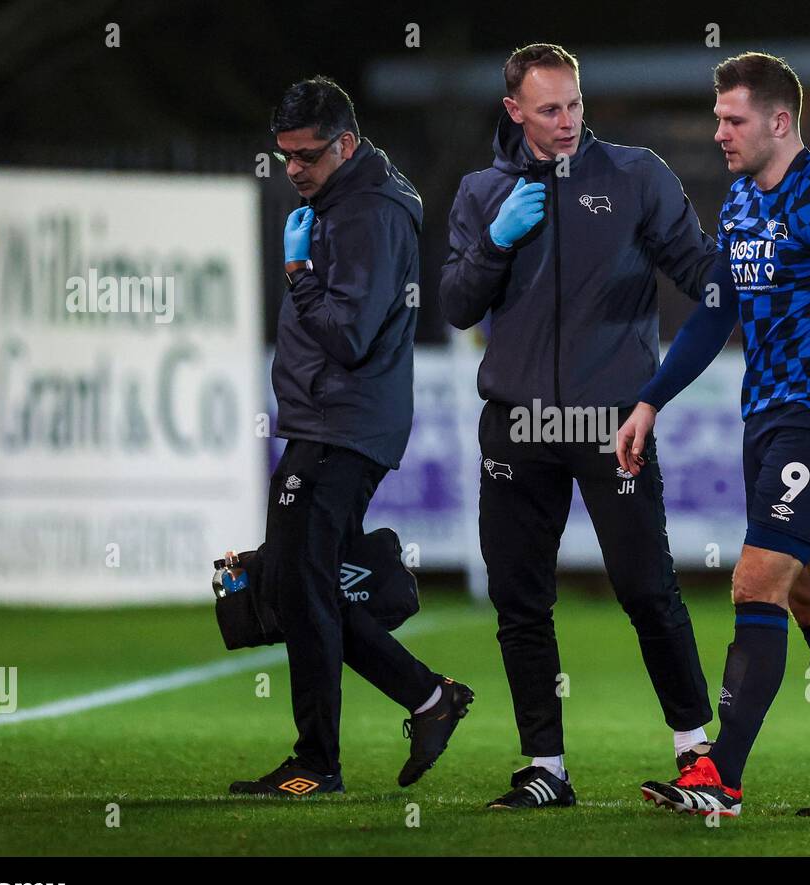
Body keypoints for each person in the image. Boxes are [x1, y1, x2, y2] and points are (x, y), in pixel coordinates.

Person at [616, 52, 810, 818]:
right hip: (769, 420)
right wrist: (651, 401)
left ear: (779, 122)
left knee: (755, 582)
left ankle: (720, 776)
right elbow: (716, 311)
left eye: (732, 118)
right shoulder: (745, 201)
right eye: (718, 117)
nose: (719, 131)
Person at [440, 43, 716, 810]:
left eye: (576, 104)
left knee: (647, 589)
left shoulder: (636, 176)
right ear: (515, 111)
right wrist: (497, 239)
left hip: (611, 421)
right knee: (519, 601)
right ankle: (545, 769)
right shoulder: (480, 192)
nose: (567, 122)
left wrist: (755, 274)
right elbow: (458, 304)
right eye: (550, 109)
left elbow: (700, 273)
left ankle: (698, 758)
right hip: (517, 424)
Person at [230, 76, 472, 797]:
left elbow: (349, 333)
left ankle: (318, 761)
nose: (294, 170)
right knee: (296, 581)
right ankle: (427, 697)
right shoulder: (352, 196)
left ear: (345, 142)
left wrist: (299, 273)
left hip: (343, 421)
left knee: (297, 584)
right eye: (284, 157)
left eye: (306, 156)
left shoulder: (365, 212)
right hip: (332, 419)